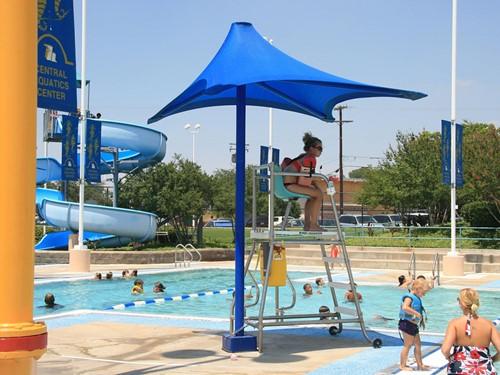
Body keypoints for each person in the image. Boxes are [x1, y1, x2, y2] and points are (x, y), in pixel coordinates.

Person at [441, 288, 499, 374]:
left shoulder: (454, 324)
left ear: (462, 304)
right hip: (484, 369)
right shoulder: (489, 324)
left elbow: (445, 350)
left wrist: (450, 358)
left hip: (459, 368)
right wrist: (491, 360)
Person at [283, 132, 326, 232]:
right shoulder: (310, 159)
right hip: (291, 185)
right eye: (319, 148)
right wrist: (317, 186)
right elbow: (306, 179)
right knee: (319, 195)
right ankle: (313, 225)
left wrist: (315, 186)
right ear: (311, 148)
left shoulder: (303, 156)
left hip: (288, 184)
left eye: (322, 148)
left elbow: (306, 178)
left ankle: (308, 225)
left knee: (313, 196)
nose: (321, 150)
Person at [398, 279, 429, 371]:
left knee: (418, 345)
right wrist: (417, 313)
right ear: (417, 289)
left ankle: (420, 364)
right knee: (407, 345)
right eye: (423, 292)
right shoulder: (409, 297)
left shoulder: (416, 296)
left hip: (413, 325)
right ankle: (402, 365)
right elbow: (405, 307)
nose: (424, 294)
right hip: (406, 324)